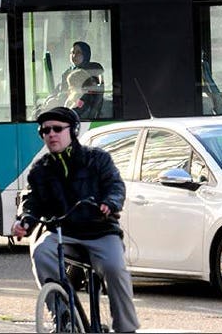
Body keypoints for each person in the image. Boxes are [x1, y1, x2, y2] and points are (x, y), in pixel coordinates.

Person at [12, 107, 139, 333]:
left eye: (58, 129)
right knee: (41, 251)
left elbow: (115, 186)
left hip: (100, 231)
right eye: (45, 130)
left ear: (73, 131)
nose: (51, 134)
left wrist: (110, 203)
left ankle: (125, 327)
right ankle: (64, 318)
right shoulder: (40, 169)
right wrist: (25, 220)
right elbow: (31, 201)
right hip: (64, 232)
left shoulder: (97, 159)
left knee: (115, 268)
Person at [41, 41, 104, 118]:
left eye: (78, 52)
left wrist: (58, 102)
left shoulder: (92, 71)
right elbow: (58, 90)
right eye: (72, 52)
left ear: (86, 54)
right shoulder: (68, 72)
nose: (74, 55)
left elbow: (82, 98)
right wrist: (51, 99)